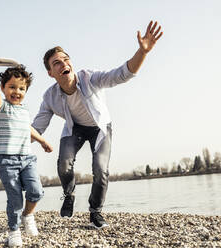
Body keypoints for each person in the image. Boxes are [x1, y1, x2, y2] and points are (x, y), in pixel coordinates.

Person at [32, 20, 163, 229]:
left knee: (100, 169)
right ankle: (69, 194)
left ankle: (95, 212)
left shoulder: (89, 78)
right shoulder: (50, 96)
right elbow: (36, 128)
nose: (64, 64)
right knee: (63, 164)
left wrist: (143, 52)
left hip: (100, 127)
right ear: (50, 73)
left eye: (66, 59)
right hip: (74, 129)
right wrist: (12, 122)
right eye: (57, 63)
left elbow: (123, 74)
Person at [0, 64, 53, 247]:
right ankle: (14, 231)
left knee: (36, 191)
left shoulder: (24, 110)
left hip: (27, 159)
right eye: (12, 87)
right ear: (4, 88)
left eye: (21, 88)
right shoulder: (2, 107)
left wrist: (42, 141)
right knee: (15, 199)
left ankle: (28, 215)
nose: (17, 91)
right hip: (7, 161)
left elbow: (27, 128)